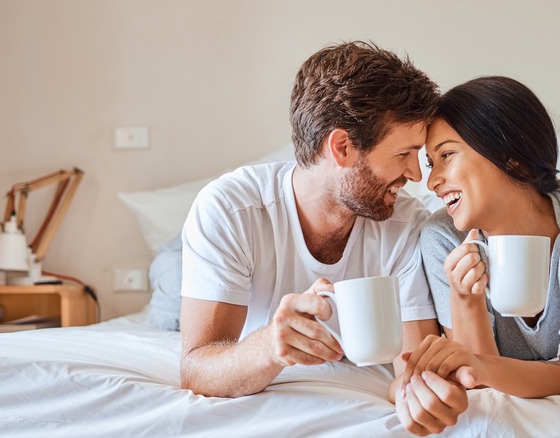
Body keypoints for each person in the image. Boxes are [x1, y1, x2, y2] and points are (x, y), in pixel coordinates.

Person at [178, 41, 466, 434]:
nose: (416, 175)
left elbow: (408, 365)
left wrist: (416, 393)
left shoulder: (406, 223)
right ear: (342, 147)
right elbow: (196, 367)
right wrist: (269, 345)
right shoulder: (231, 210)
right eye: (404, 154)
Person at [400, 76, 560, 420]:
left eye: (447, 155)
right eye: (431, 163)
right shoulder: (442, 237)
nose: (432, 181)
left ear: (510, 157)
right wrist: (465, 299)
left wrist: (481, 366)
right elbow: (479, 377)